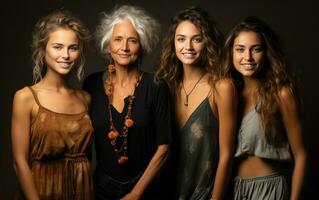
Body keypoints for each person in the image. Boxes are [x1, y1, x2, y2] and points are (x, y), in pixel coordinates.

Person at [83, 5, 172, 200]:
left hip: (146, 189)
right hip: (102, 188)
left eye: (132, 40)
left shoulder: (156, 86)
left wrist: (137, 192)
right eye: (118, 39)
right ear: (109, 46)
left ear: (142, 47)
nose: (124, 47)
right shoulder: (91, 84)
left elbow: (164, 147)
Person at [156, 7, 237, 200]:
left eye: (197, 39)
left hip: (205, 194)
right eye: (181, 39)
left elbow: (227, 155)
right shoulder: (166, 87)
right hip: (165, 192)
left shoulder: (222, 87)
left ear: (207, 43)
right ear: (173, 43)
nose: (188, 46)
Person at [11, 10, 93, 199]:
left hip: (82, 192)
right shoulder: (26, 97)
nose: (66, 55)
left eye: (73, 48)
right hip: (41, 191)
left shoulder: (85, 98)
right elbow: (19, 161)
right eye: (57, 47)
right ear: (43, 49)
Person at [223, 16, 307, 200]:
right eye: (240, 50)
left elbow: (301, 155)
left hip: (269, 190)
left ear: (266, 52)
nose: (248, 57)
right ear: (231, 53)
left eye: (256, 49)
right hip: (233, 190)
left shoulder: (281, 93)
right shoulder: (227, 94)